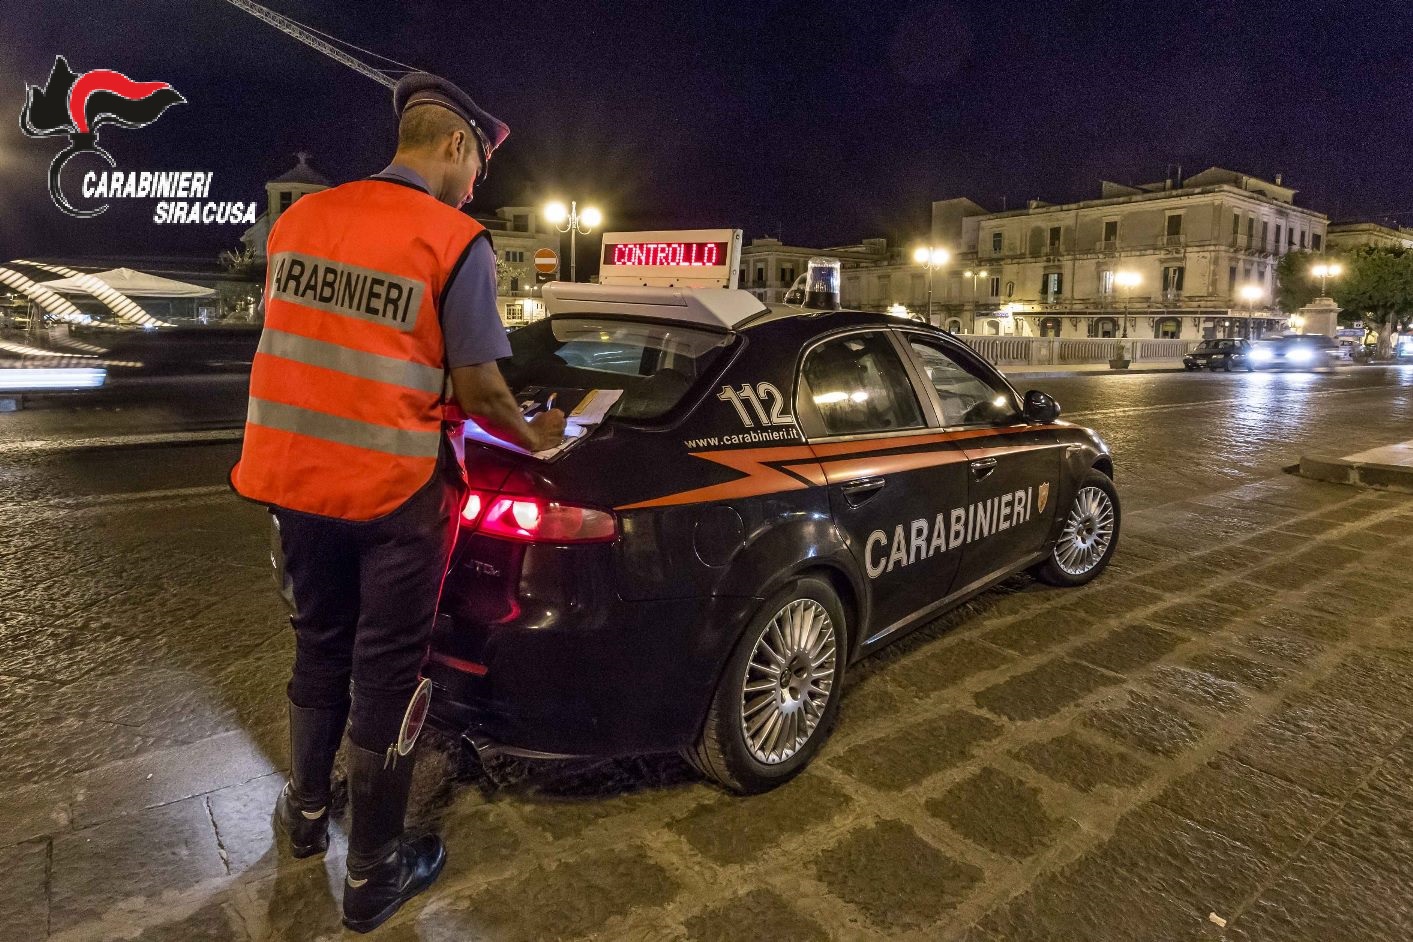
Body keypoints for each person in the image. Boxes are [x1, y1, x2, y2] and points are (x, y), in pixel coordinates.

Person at [230, 72, 565, 933]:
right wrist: (542, 436)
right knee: (387, 671)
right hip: (393, 494)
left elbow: (333, 345)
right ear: (455, 145)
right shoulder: (453, 240)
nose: (473, 188)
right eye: (477, 171)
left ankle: (305, 818)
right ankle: (374, 872)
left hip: (292, 480)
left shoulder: (297, 222)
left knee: (317, 644)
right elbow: (484, 389)